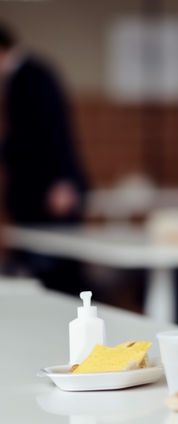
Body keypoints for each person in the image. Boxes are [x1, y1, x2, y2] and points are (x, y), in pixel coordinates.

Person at [0, 22, 88, 294]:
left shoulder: (33, 76)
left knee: (57, 269)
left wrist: (64, 181)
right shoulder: (21, 78)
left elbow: (55, 131)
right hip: (38, 191)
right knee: (41, 266)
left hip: (48, 191)